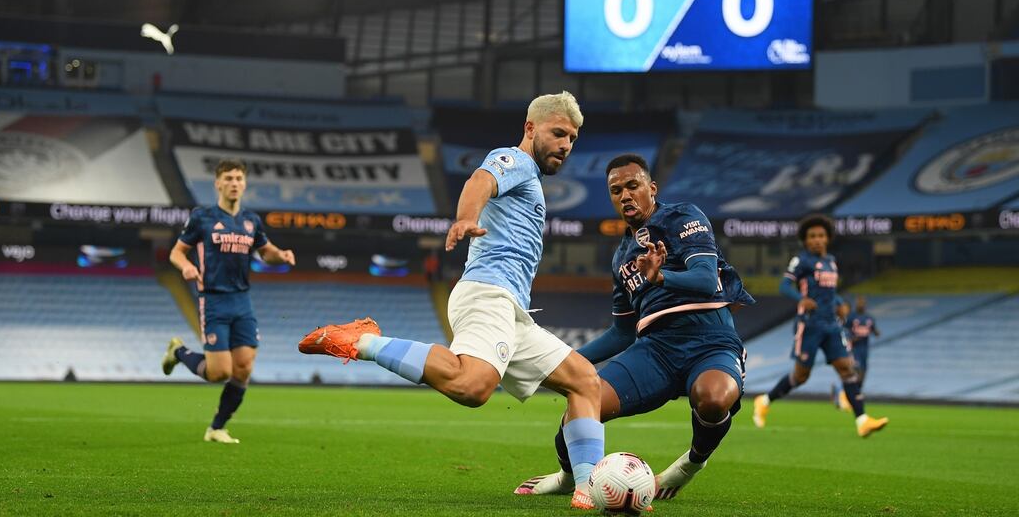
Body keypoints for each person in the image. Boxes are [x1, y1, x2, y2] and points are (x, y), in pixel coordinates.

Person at [297, 92, 604, 509]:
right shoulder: (516, 161)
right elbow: (480, 181)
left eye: (572, 138)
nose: (566, 145)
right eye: (558, 133)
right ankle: (361, 341)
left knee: (585, 382)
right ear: (531, 128)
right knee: (473, 386)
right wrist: (465, 218)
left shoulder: (531, 177)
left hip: (512, 310)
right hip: (487, 293)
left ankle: (589, 488)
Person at [514, 153, 754, 501]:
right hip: (655, 350)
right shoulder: (621, 257)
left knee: (713, 399)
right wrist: (563, 361)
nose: (625, 195)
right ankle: (568, 476)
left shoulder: (682, 216)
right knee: (584, 400)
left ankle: (689, 464)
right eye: (616, 190)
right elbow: (623, 333)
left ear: (651, 188)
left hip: (710, 340)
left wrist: (661, 277)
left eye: (632, 186)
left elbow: (704, 280)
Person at [161, 159, 296, 444]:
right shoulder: (202, 217)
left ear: (244, 184)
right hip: (213, 300)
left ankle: (216, 428)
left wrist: (280, 255)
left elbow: (265, 251)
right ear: (218, 183)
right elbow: (176, 252)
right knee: (219, 372)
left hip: (242, 300)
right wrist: (185, 266)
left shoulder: (251, 220)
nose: (234, 183)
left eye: (239, 178)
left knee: (244, 367)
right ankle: (179, 352)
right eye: (229, 178)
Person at [752, 215, 888, 438]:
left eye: (821, 235)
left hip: (832, 326)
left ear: (828, 238)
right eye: (812, 236)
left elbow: (829, 294)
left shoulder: (831, 262)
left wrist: (840, 304)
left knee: (847, 368)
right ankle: (764, 400)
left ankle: (862, 421)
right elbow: (784, 285)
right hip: (810, 325)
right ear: (805, 240)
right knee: (801, 376)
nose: (817, 239)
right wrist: (800, 299)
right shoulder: (802, 261)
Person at [833, 295, 880, 411]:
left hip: (865, 350)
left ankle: (845, 394)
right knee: (855, 374)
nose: (861, 304)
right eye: (859, 302)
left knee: (862, 377)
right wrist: (852, 339)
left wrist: (876, 332)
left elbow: (874, 330)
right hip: (854, 350)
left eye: (863, 302)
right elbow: (843, 330)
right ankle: (844, 397)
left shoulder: (869, 318)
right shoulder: (851, 318)